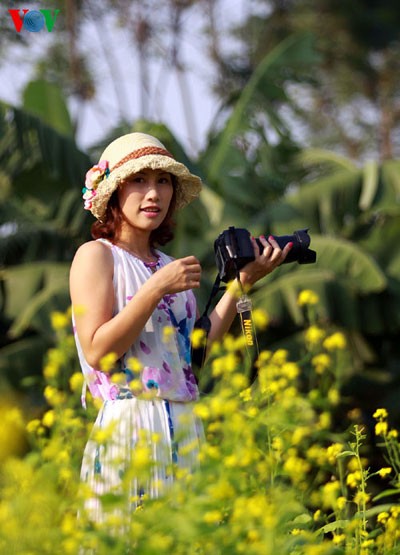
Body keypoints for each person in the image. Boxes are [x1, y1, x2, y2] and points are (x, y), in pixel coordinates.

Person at [70, 132, 291, 522]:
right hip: (131, 425)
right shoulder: (96, 257)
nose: (153, 193)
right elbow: (97, 353)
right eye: (139, 180)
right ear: (114, 192)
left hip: (185, 424)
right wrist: (155, 288)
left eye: (163, 181)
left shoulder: (169, 265)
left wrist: (243, 283)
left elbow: (190, 358)